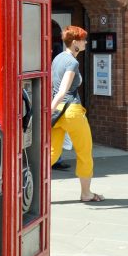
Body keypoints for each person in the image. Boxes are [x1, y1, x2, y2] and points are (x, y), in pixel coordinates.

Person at [51, 26, 104, 203]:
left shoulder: (57, 58)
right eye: (83, 39)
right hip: (71, 111)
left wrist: (50, 112)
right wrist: (49, 109)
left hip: (58, 114)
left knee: (51, 154)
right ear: (75, 43)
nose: (86, 42)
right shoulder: (72, 62)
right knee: (84, 152)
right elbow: (62, 90)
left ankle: (26, 186)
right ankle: (86, 194)